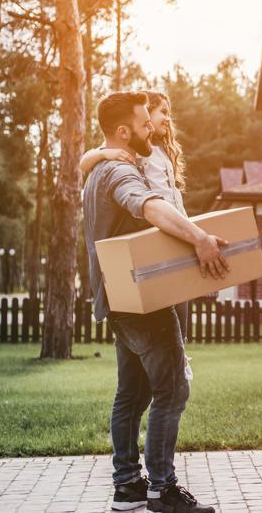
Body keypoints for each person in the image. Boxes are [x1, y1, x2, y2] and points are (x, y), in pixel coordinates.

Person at [83, 91, 223, 513]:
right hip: (143, 302)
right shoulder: (117, 173)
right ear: (124, 130)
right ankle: (162, 490)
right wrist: (200, 238)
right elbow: (150, 205)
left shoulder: (100, 170)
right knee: (173, 389)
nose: (152, 129)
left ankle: (127, 486)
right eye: (145, 124)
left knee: (132, 393)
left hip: (119, 299)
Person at [80, 91, 191, 340]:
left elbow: (174, 200)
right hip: (160, 230)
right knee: (166, 328)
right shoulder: (134, 150)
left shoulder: (160, 152)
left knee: (179, 320)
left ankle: (181, 355)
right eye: (161, 112)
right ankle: (178, 363)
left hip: (176, 229)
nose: (165, 119)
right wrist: (103, 154)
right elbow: (84, 161)